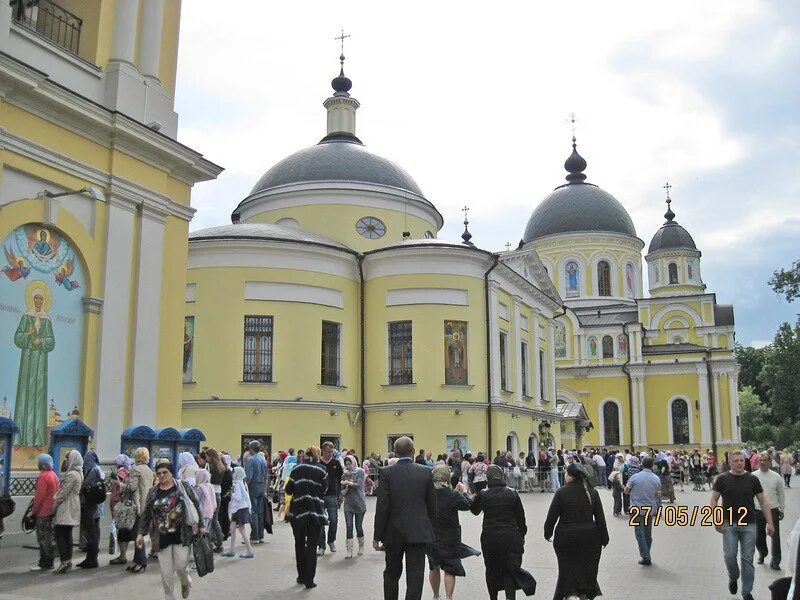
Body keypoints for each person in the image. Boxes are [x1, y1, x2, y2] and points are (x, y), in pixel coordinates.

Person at [373, 436, 436, 600]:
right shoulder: (426, 472)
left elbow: (382, 507)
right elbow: (432, 506)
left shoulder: (386, 473)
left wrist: (377, 536)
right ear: (413, 451)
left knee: (391, 573)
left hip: (393, 533)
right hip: (418, 532)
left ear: (395, 452)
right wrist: (430, 530)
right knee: (416, 576)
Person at [710, 449, 775, 600]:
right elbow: (714, 499)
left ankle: (747, 592)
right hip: (729, 524)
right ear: (730, 463)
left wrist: (770, 523)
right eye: (736, 461)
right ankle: (733, 576)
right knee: (730, 556)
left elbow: (763, 501)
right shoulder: (722, 479)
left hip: (749, 525)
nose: (739, 463)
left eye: (741, 460)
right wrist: (716, 519)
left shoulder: (752, 479)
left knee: (747, 559)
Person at [136, 459, 202, 600]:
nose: (161, 475)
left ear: (171, 472)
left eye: (165, 472)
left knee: (181, 567)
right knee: (166, 575)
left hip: (181, 535)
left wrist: (201, 525)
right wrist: (140, 533)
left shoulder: (182, 486)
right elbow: (146, 514)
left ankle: (185, 582)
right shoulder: (153, 492)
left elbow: (195, 503)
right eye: (158, 473)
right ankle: (169, 597)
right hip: (162, 538)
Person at [544, 462, 609, 600]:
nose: (565, 475)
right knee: (586, 569)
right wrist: (604, 538)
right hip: (590, 538)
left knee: (567, 568)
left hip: (566, 538)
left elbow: (552, 516)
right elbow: (600, 518)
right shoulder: (592, 491)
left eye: (567, 473)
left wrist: (547, 533)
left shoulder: (562, 492)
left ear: (571, 476)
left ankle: (570, 594)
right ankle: (583, 593)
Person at [471, 465, 535, 600]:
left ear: (488, 478)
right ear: (502, 476)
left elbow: (474, 510)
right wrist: (521, 535)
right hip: (510, 536)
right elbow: (521, 518)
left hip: (490, 537)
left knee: (491, 569)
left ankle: (493, 598)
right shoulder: (512, 493)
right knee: (509, 569)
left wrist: (472, 496)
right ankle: (510, 598)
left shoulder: (484, 493)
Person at [427, 464, 480, 600]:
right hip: (450, 536)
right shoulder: (453, 494)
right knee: (450, 568)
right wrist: (463, 491)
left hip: (431, 535)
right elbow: (467, 505)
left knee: (434, 566)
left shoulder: (428, 494)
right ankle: (449, 597)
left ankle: (435, 595)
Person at [286, 446, 328, 589]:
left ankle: (301, 576)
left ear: (305, 455)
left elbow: (288, 489)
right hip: (315, 512)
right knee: (312, 545)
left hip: (297, 512)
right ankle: (309, 581)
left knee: (299, 544)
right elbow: (325, 489)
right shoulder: (322, 470)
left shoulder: (296, 469)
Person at [624, 456, 661, 566]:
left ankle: (646, 556)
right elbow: (657, 494)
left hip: (636, 509)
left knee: (639, 534)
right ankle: (647, 553)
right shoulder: (656, 478)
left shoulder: (635, 477)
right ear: (652, 465)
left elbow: (626, 490)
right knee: (647, 534)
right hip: (649, 509)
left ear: (642, 464)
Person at [123, 447, 154, 574]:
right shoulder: (148, 470)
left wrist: (121, 485)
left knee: (137, 535)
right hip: (146, 505)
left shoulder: (135, 469)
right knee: (138, 534)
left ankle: (141, 562)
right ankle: (137, 561)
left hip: (137, 506)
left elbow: (132, 487)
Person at [753, 451, 786, 570]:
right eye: (760, 460)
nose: (762, 463)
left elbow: (781, 494)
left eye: (764, 460)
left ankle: (776, 561)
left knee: (775, 536)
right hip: (758, 509)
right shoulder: (753, 476)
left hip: (773, 508)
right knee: (758, 536)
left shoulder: (776, 477)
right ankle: (762, 553)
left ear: (770, 462)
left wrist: (781, 509)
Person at [53, 449, 83, 574]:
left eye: (68, 458)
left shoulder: (71, 474)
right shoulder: (79, 472)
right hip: (73, 504)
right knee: (67, 534)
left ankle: (64, 562)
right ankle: (68, 561)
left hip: (67, 506)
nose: (66, 461)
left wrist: (55, 504)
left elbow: (63, 492)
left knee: (60, 534)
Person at [30, 453, 59, 571]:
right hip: (52, 511)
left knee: (43, 538)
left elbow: (39, 497)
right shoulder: (54, 475)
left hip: (42, 512)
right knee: (49, 536)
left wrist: (33, 511)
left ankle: (45, 563)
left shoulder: (43, 476)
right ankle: (49, 562)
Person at [78, 449, 104, 569]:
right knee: (95, 532)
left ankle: (92, 559)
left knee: (91, 533)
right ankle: (91, 558)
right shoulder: (98, 468)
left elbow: (84, 486)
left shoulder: (92, 470)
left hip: (91, 506)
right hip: (97, 506)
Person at [317, 441, 343, 554]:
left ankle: (331, 540)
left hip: (333, 494)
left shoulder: (336, 463)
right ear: (323, 451)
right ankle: (321, 546)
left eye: (332, 452)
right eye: (328, 452)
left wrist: (341, 494)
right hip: (320, 495)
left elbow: (341, 479)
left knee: (334, 519)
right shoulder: (318, 463)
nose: (330, 454)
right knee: (321, 521)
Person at [222, 465, 254, 559]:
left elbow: (239, 498)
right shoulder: (241, 482)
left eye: (234, 473)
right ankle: (232, 550)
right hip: (241, 508)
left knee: (241, 530)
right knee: (232, 528)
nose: (232, 474)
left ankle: (249, 551)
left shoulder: (237, 484)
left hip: (239, 508)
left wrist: (231, 493)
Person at [341, 455, 367, 559]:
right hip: (348, 503)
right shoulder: (344, 474)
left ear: (354, 462)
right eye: (346, 464)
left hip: (359, 502)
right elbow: (342, 488)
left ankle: (361, 545)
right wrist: (343, 487)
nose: (348, 466)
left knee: (358, 526)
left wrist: (349, 483)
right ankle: (349, 549)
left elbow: (359, 485)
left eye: (350, 464)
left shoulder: (360, 472)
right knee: (349, 526)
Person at [109, 454, 132, 566]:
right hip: (125, 504)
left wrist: (117, 482)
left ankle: (122, 555)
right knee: (124, 530)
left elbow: (120, 487)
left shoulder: (120, 473)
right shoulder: (128, 471)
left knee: (121, 530)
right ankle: (123, 554)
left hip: (119, 505)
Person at [244, 440, 268, 544]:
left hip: (253, 486)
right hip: (262, 486)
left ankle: (254, 536)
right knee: (260, 512)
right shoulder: (263, 460)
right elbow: (267, 477)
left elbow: (248, 477)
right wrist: (265, 489)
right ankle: (261, 535)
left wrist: (245, 487)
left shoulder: (250, 460)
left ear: (250, 449)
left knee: (253, 512)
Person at [203, 448, 226, 553]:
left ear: (210, 456)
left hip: (210, 493)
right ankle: (219, 541)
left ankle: (214, 541)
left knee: (209, 518)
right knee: (215, 519)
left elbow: (206, 480)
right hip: (218, 492)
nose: (206, 458)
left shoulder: (209, 466)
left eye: (206, 456)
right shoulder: (221, 466)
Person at [218, 453, 233, 541]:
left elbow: (225, 483)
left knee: (221, 515)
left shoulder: (223, 470)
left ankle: (223, 532)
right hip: (226, 495)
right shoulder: (227, 470)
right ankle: (226, 532)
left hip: (223, 495)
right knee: (225, 515)